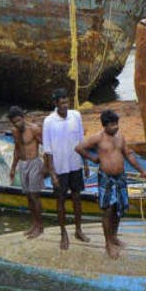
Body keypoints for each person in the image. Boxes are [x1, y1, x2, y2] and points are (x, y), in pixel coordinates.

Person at [75, 110, 146, 258]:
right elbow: (79, 148)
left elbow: (128, 154)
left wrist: (142, 170)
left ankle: (114, 237)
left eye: (116, 124)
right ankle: (108, 243)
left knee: (119, 208)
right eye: (112, 125)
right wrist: (93, 158)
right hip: (106, 178)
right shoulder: (97, 138)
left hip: (120, 177)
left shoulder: (119, 137)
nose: (115, 127)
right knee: (108, 210)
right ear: (104, 126)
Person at [42, 88, 90, 250]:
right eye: (61, 103)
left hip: (75, 164)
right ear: (55, 103)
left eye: (66, 102)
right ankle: (63, 233)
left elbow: (81, 141)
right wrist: (52, 173)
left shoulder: (76, 116)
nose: (64, 105)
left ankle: (78, 230)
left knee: (77, 198)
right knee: (60, 201)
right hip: (60, 168)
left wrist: (85, 164)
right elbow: (47, 150)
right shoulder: (48, 121)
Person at [7, 106, 44, 238]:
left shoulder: (34, 129)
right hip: (23, 165)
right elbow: (17, 149)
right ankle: (34, 224)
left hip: (34, 162)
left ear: (23, 117)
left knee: (35, 196)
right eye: (14, 123)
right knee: (28, 197)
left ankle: (40, 226)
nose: (17, 124)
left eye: (18, 121)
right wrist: (13, 167)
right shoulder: (14, 131)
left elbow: (46, 146)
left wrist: (48, 167)